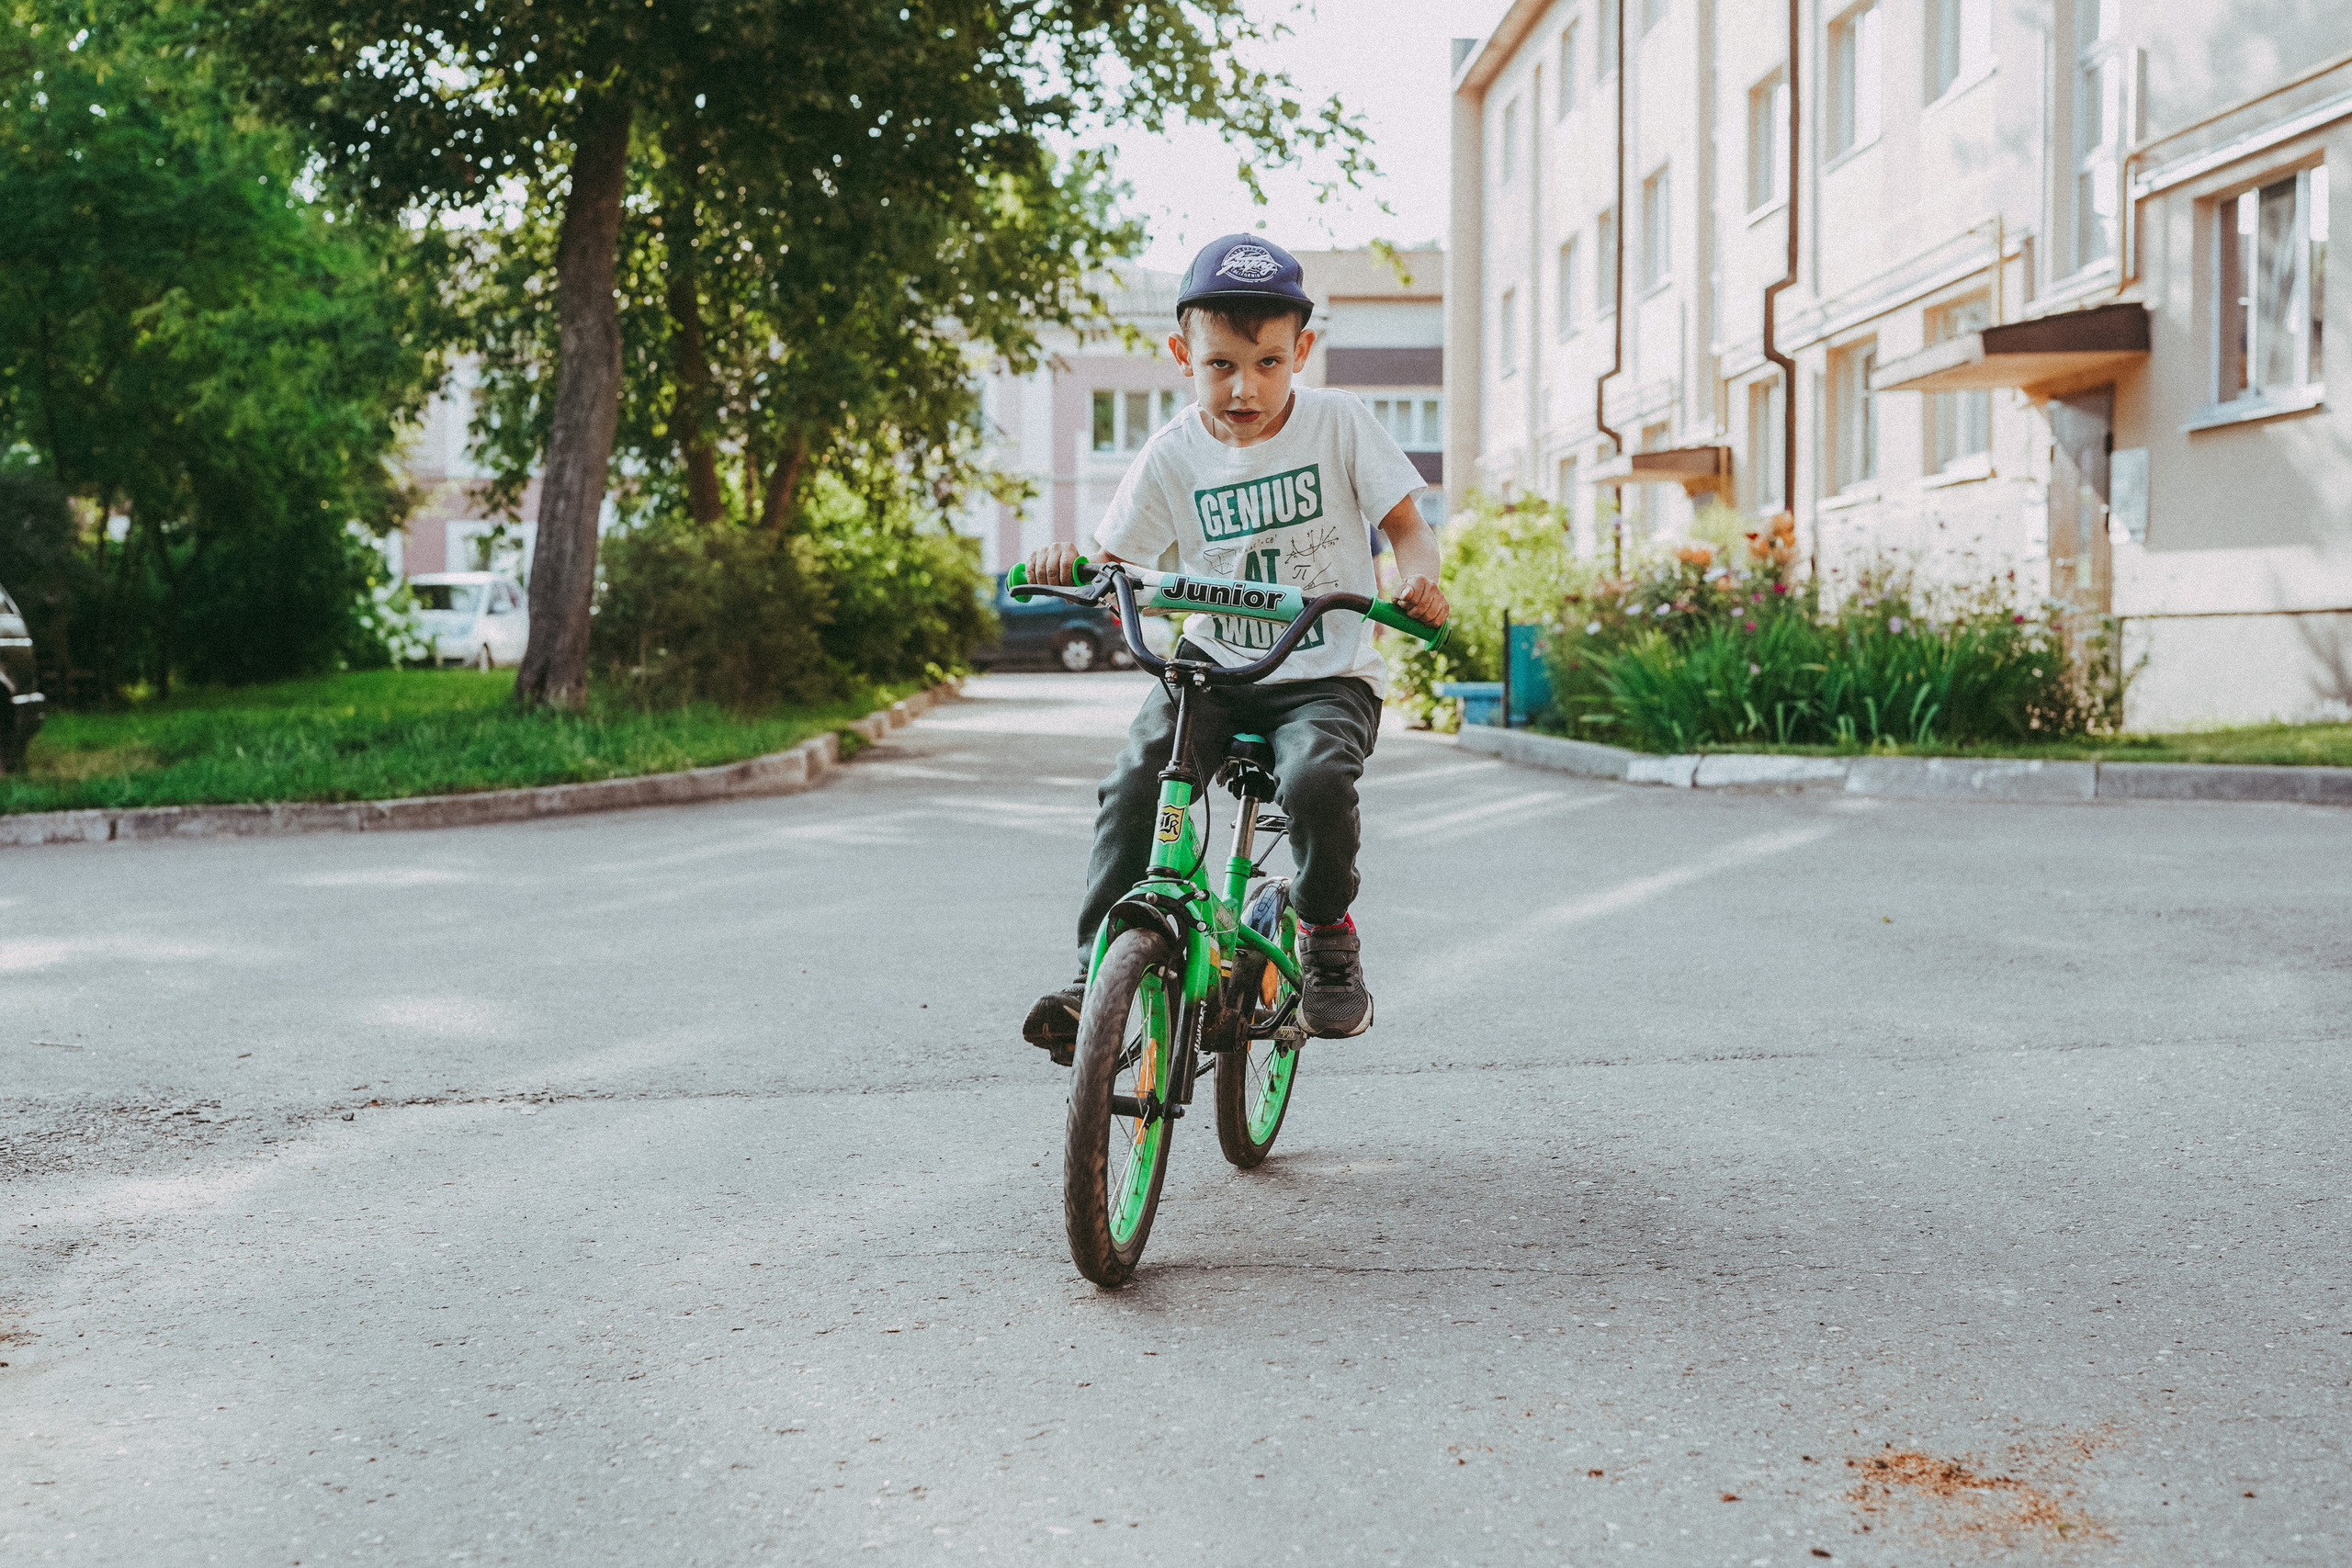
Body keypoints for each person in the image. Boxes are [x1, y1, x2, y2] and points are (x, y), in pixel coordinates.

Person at [1021, 233, 1449, 1061]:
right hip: (1210, 670)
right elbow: (1110, 560)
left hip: (1323, 675)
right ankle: (1093, 978)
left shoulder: (1341, 423)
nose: (1244, 386)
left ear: (1302, 353)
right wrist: (1064, 563)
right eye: (1220, 364)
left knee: (1317, 779)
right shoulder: (1174, 451)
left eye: (1267, 362)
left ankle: (1326, 933)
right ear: (1183, 355)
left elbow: (1407, 532)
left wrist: (1416, 582)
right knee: (1134, 784)